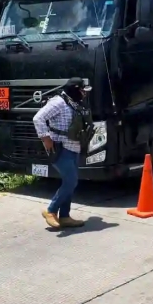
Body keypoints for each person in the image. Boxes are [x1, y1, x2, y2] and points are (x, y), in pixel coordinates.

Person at [33, 77, 92, 229]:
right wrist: (45, 138)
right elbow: (38, 118)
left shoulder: (74, 102)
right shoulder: (58, 102)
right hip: (60, 148)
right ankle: (51, 210)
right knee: (71, 181)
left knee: (69, 183)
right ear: (74, 89)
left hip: (74, 148)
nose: (84, 94)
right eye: (81, 91)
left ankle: (64, 216)